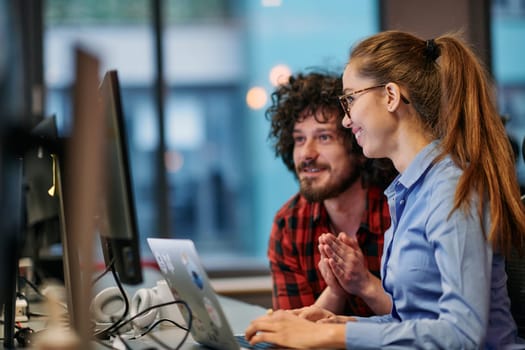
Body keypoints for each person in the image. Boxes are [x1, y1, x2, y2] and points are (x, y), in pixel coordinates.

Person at [246, 30, 525, 349]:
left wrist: (333, 335)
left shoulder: (450, 189)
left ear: (391, 96)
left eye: (351, 98)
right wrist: (338, 321)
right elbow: (412, 322)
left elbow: (462, 334)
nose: (347, 121)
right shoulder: (407, 193)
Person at [264, 71, 397, 318]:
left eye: (324, 137)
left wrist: (364, 283)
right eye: (299, 139)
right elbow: (293, 339)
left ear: (358, 145)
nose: (306, 154)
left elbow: (424, 325)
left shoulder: (399, 209)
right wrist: (336, 292)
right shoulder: (289, 224)